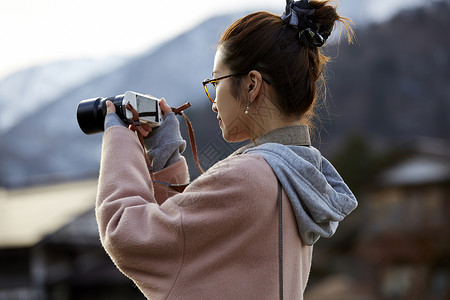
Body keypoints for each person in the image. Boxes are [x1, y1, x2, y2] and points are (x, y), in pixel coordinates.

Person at [96, 0, 357, 299]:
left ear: (251, 85)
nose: (213, 99)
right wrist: (165, 153)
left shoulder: (248, 177)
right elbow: (191, 242)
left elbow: (129, 235)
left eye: (215, 81)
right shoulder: (297, 177)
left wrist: (119, 136)